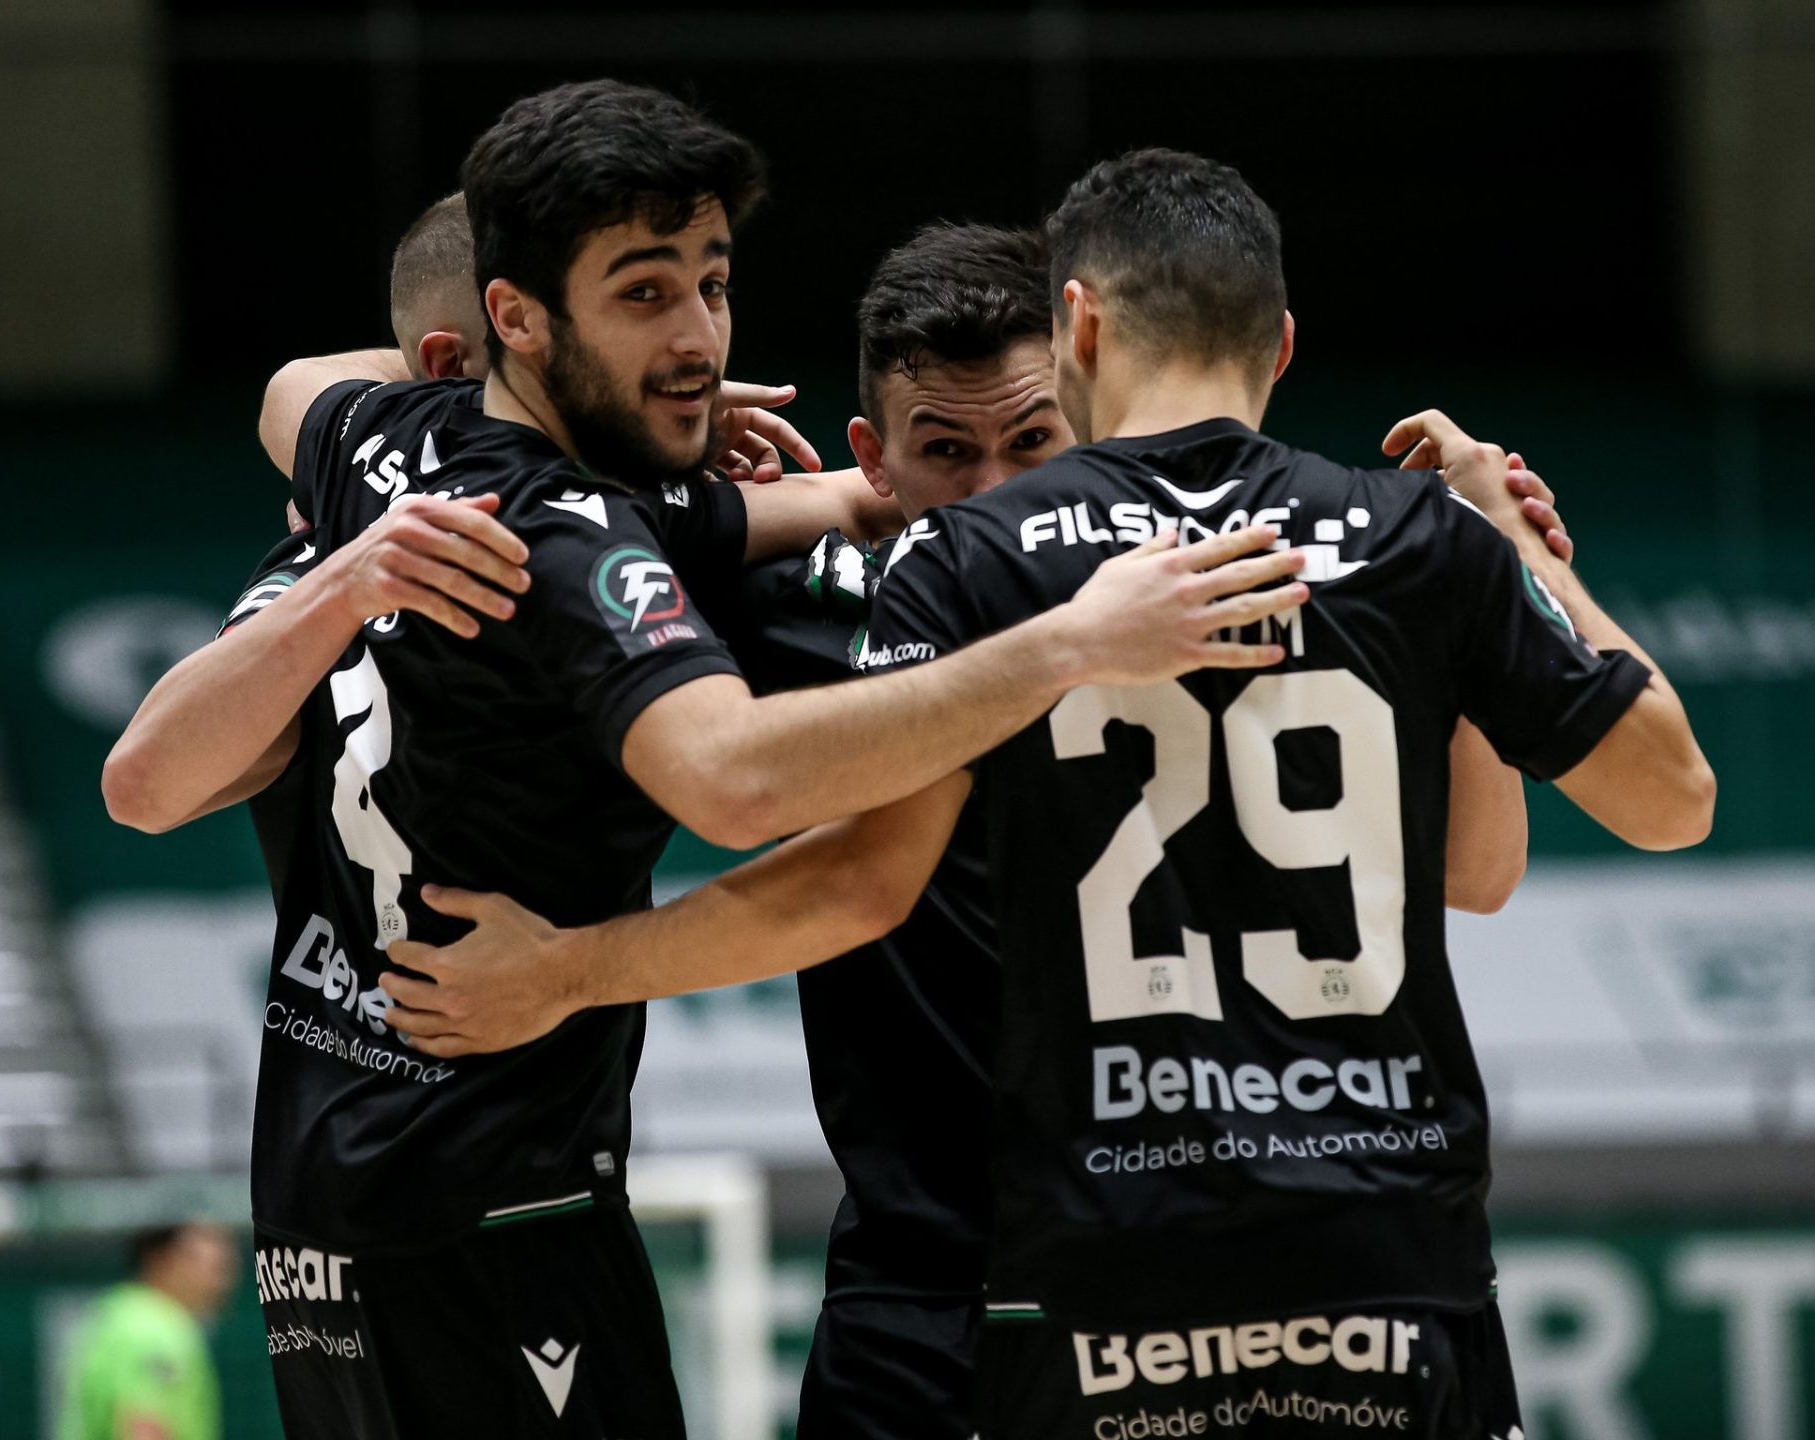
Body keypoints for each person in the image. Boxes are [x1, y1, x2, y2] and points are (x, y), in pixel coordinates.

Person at [386, 150, 1713, 1439]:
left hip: (1096, 1255)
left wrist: (568, 970)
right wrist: (1507, 564)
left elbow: (843, 865)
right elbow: (1648, 802)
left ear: (1078, 346)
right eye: (942, 450)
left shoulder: (975, 567)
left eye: (1025, 437)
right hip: (1282, 1246)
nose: (993, 479)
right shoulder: (1396, 543)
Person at [108, 83, 1300, 1437]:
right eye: (644, 297)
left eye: (712, 288)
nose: (695, 335)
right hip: (533, 1200)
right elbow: (752, 796)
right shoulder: (590, 538)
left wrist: (663, 434)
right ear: (513, 320)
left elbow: (294, 398)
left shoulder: (402, 461)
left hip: (336, 1205)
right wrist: (1072, 641)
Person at [59, 1222, 236, 1440]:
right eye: (215, 1267)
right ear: (164, 1261)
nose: (224, 1283)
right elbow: (143, 1427)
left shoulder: (118, 1317)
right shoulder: (155, 1330)